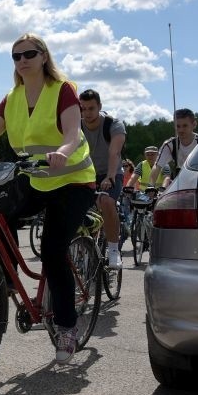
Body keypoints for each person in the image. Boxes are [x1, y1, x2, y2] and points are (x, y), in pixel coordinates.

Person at [0, 33, 96, 364]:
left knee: (52, 249)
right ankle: (10, 280)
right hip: (38, 179)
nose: (22, 60)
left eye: (29, 53)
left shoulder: (62, 90)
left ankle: (67, 326)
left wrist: (62, 151)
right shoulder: (12, 98)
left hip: (73, 180)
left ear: (44, 56)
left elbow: (73, 132)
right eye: (16, 56)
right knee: (0, 215)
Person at [78, 89, 126, 269]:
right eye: (82, 109)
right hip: (86, 173)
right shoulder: (75, 126)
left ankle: (114, 250)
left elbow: (114, 152)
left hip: (110, 171)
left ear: (99, 107)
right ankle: (82, 247)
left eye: (91, 108)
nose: (87, 113)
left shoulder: (113, 124)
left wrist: (110, 176)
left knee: (106, 201)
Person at [149, 108, 198, 188]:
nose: (181, 130)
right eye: (178, 126)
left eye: (185, 126)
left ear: (194, 124)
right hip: (181, 183)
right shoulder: (170, 145)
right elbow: (157, 166)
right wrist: (150, 187)